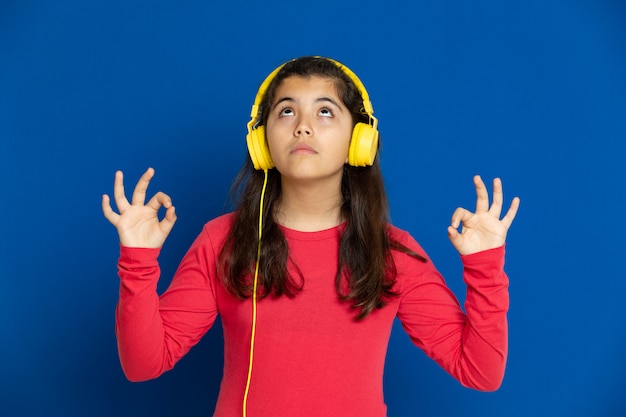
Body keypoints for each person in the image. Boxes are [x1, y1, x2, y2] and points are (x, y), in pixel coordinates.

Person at [102, 56, 520, 417]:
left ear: (359, 141)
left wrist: (485, 268)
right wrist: (138, 261)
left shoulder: (393, 252)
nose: (302, 127)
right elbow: (143, 364)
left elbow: (480, 372)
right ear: (261, 140)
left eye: (325, 112)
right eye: (285, 111)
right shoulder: (222, 239)